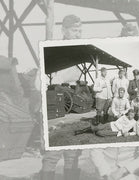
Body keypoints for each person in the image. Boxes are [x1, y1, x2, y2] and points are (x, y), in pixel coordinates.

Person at [41, 14, 82, 180]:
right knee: (53, 151)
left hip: (73, 106)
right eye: (74, 30)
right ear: (64, 30)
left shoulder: (81, 51)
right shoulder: (54, 48)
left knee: (72, 153)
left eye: (80, 30)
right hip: (56, 105)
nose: (78, 34)